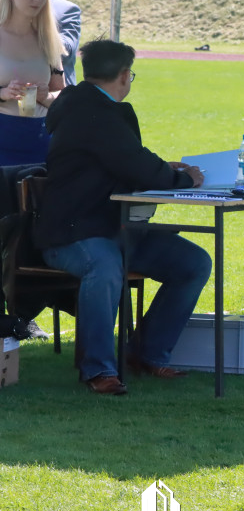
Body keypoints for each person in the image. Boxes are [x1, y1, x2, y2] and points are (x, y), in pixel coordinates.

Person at [35, 39, 212, 395]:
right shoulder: (95, 113)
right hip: (74, 233)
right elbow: (133, 162)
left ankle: (147, 353)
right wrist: (182, 178)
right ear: (124, 75)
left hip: (112, 227)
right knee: (104, 267)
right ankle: (99, 369)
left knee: (193, 262)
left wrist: (162, 169)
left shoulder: (91, 108)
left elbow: (128, 161)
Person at [0, 0, 66, 168]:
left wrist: (46, 96)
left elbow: (62, 97)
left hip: (40, 139)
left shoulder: (48, 40)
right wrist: (3, 93)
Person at [0, 0, 80, 87]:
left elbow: (61, 94)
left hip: (42, 109)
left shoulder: (47, 38)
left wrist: (45, 97)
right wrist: (3, 94)